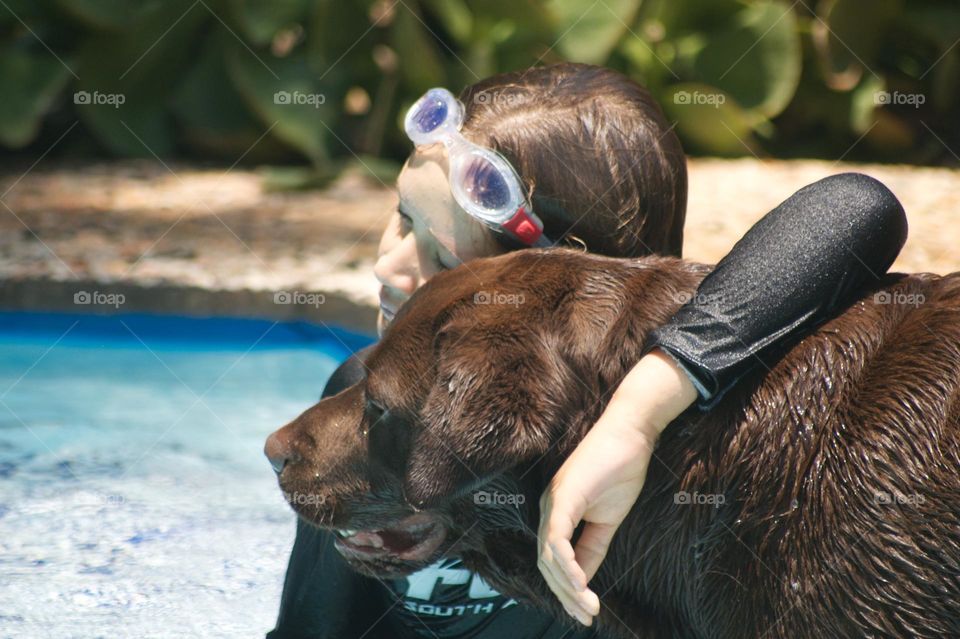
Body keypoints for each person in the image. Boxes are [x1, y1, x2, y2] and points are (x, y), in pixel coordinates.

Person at [267, 63, 907, 638]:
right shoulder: (367, 413)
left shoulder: (698, 389)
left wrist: (637, 414)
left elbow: (861, 204)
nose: (388, 263)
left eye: (441, 255)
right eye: (404, 216)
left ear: (552, 287)